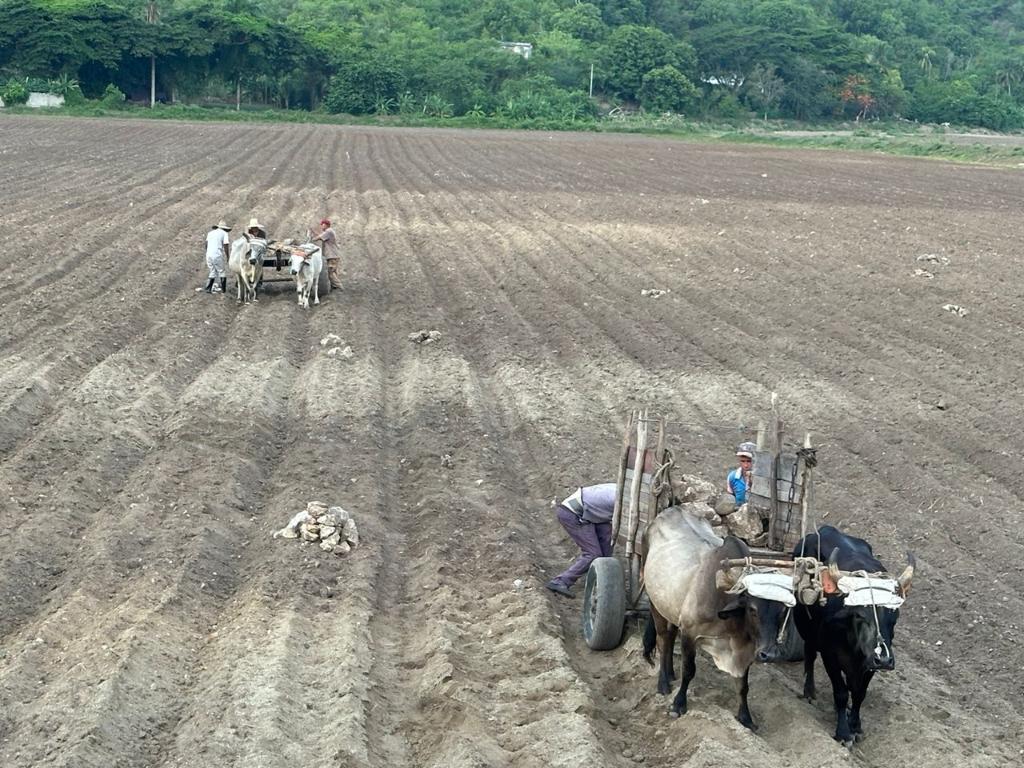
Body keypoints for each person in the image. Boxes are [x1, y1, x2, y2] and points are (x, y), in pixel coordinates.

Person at [546, 482, 618, 598]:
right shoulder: (619, 499)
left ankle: (602, 581)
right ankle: (561, 581)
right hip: (573, 513)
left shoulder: (620, 490)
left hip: (590, 512)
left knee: (607, 541)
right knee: (593, 553)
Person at [718, 441, 767, 545]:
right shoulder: (733, 477)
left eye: (749, 461)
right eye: (743, 461)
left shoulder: (763, 479)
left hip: (760, 522)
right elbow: (731, 498)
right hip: (739, 520)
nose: (745, 465)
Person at [312, 218, 341, 289]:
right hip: (333, 255)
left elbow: (318, 238)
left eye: (322, 225)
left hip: (332, 255)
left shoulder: (329, 231)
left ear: (326, 225)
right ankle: (335, 288)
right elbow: (321, 236)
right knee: (333, 272)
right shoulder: (329, 232)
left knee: (330, 272)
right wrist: (314, 233)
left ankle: (339, 287)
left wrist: (312, 238)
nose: (321, 226)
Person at [203, 220, 231, 294]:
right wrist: (228, 256)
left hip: (209, 254)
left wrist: (208, 252)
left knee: (212, 271)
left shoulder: (210, 233)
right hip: (217, 254)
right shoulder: (224, 233)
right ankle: (223, 290)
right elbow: (226, 245)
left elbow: (206, 244)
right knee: (221, 271)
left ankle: (208, 288)